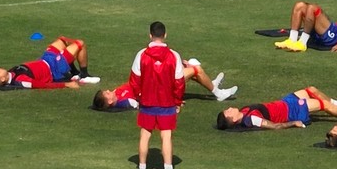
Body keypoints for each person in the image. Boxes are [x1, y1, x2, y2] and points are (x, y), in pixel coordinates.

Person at [131, 21, 186, 169]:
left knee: (145, 135)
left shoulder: (141, 55)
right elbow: (179, 82)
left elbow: (135, 80)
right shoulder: (173, 56)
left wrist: (139, 98)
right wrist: (177, 101)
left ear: (150, 35)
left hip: (147, 102)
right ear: (165, 35)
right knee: (166, 136)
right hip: (167, 103)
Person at [93, 58, 237, 111]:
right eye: (106, 93)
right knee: (195, 68)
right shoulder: (123, 102)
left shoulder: (117, 94)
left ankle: (212, 86)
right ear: (110, 101)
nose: (108, 90)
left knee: (186, 64)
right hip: (161, 87)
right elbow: (142, 103)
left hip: (155, 80)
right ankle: (218, 93)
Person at [216, 88, 337, 130]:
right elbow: (275, 126)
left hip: (285, 102)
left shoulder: (244, 111)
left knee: (311, 89)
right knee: (323, 105)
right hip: (292, 111)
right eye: (228, 112)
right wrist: (294, 123)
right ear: (233, 119)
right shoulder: (251, 119)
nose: (229, 108)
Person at [0, 36, 94, 90]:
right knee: (80, 44)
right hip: (54, 68)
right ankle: (84, 75)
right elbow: (42, 85)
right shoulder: (20, 80)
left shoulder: (11, 73)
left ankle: (74, 72)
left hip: (46, 59)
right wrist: (66, 84)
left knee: (62, 40)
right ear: (3, 79)